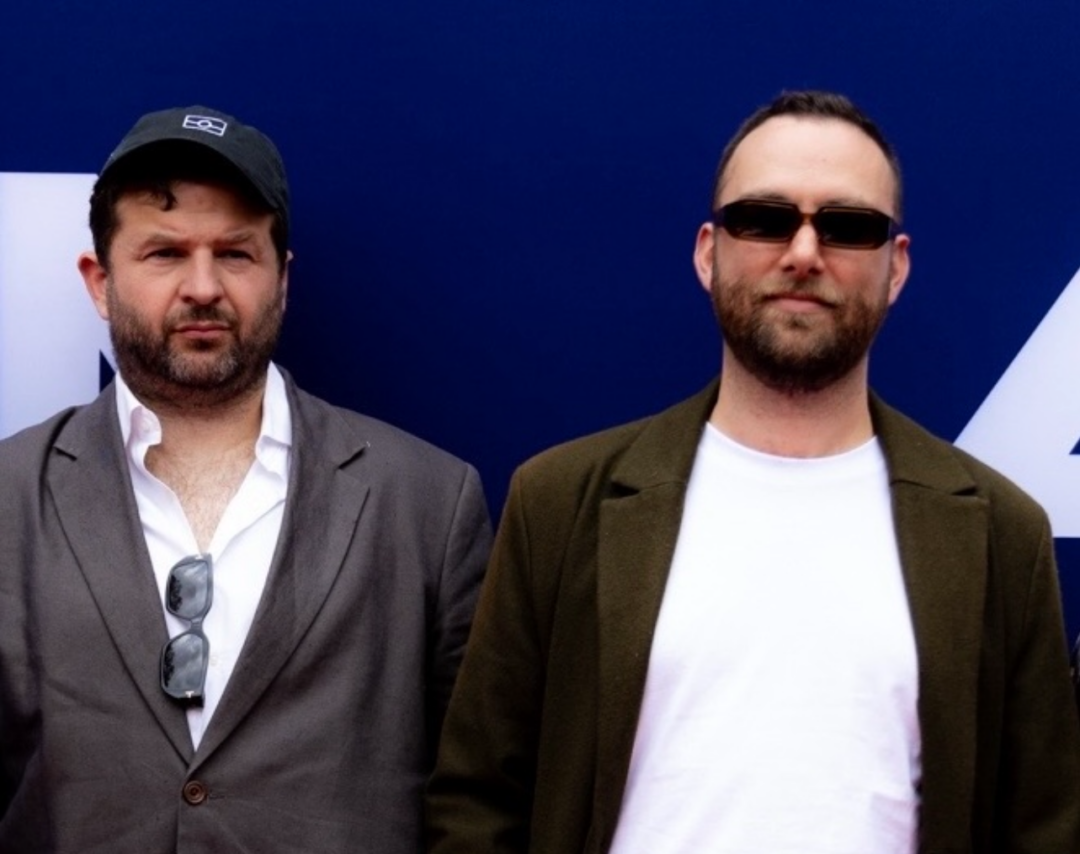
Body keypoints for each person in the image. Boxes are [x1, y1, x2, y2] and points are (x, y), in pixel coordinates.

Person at [425, 90, 1080, 853]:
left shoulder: (1000, 529)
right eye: (764, 219)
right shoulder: (561, 502)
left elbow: (1043, 824)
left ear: (896, 268)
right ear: (709, 251)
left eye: (847, 226)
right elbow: (477, 801)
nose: (803, 253)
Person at [0, 105, 492, 853]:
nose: (203, 287)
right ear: (99, 282)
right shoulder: (8, 496)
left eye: (235, 254)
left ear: (281, 279)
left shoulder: (427, 501)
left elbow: (480, 796)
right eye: (164, 254)